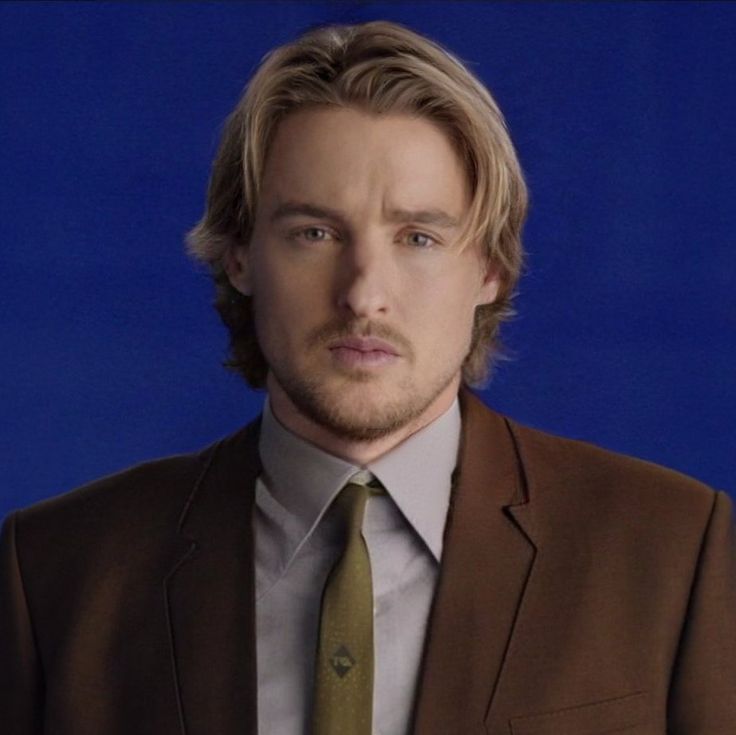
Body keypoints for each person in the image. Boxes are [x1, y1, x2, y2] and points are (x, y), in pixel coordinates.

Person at [1, 19, 734, 735]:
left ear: (490, 269)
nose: (363, 294)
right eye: (314, 233)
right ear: (239, 255)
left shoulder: (672, 551)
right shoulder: (57, 571)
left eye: (418, 237)